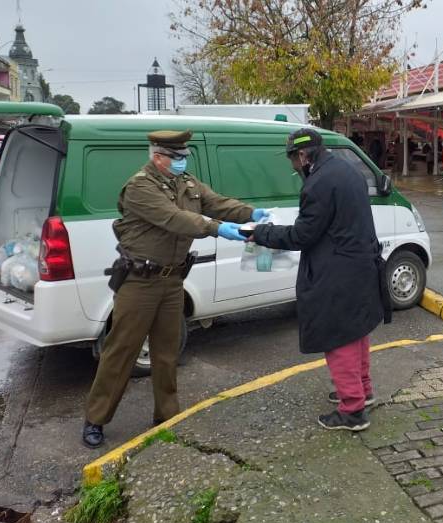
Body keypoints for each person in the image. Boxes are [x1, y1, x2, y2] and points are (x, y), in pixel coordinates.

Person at [82, 130, 264, 448]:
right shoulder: (141, 186)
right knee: (121, 351)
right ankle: (96, 418)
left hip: (172, 280)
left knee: (167, 352)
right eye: (177, 158)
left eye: (184, 157)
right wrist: (218, 229)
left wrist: (250, 213)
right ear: (158, 157)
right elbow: (175, 219)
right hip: (140, 281)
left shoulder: (187, 183)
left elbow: (216, 203)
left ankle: (167, 416)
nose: (183, 162)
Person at [251, 129, 391, 432]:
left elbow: (303, 235)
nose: (292, 167)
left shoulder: (318, 183)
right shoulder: (346, 169)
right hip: (360, 265)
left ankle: (352, 409)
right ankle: (362, 392)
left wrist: (260, 233)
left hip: (337, 272)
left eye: (292, 159)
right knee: (356, 332)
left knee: (338, 338)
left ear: (302, 155)